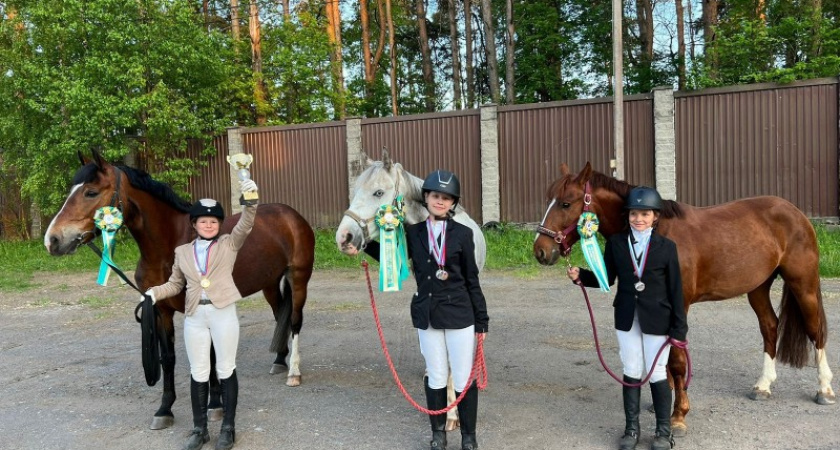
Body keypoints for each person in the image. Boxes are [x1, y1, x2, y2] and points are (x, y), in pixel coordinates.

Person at [354, 169, 489, 450]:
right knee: (436, 374)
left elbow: (473, 281)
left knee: (464, 377)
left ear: (453, 203)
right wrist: (364, 246)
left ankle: (469, 437)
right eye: (435, 196)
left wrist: (481, 321)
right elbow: (396, 259)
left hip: (459, 314)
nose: (439, 201)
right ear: (425, 198)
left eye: (446, 198)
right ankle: (438, 434)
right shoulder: (414, 233)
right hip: (427, 314)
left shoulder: (464, 234)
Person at [566, 186, 688, 450]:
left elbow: (677, 290)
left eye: (645, 214)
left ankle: (663, 431)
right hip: (626, 316)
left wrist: (679, 329)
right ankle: (631, 429)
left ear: (655, 216)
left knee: (656, 372)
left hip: (658, 319)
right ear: (628, 215)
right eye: (634, 214)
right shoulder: (617, 244)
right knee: (631, 370)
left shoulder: (667, 248)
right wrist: (581, 277)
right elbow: (607, 278)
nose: (639, 219)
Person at [142, 178, 258, 450]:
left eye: (214, 222)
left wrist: (249, 198)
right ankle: (200, 428)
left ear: (220, 226)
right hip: (195, 316)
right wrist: (153, 293)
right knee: (198, 371)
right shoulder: (182, 252)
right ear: (193, 224)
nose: (209, 225)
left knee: (226, 368)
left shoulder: (230, 243)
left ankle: (228, 428)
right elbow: (175, 284)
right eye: (203, 221)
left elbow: (247, 223)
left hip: (222, 313)